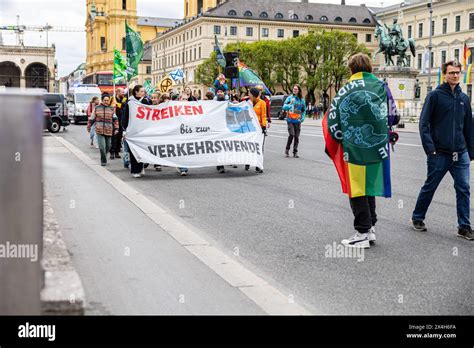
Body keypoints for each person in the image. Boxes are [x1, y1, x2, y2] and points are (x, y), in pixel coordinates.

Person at [324, 53, 396, 249]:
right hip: (378, 147)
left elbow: (333, 120)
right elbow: (393, 116)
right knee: (369, 187)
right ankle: (370, 228)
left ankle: (362, 232)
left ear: (351, 69)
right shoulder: (382, 87)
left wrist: (341, 139)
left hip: (355, 147)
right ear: (370, 68)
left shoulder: (345, 90)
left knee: (357, 188)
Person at [411, 60, 474, 240]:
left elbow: (469, 126)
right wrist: (430, 150)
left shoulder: (464, 98)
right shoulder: (435, 96)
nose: (455, 75)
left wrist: (470, 152)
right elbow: (424, 124)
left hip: (460, 153)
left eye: (457, 72)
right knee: (430, 186)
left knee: (463, 189)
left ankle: (464, 227)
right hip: (440, 153)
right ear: (445, 74)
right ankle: (417, 217)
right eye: (451, 72)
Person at [122, 85, 152, 178]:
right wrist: (124, 129)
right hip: (133, 130)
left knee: (143, 150)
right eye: (142, 91)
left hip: (144, 130)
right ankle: (135, 170)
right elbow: (125, 117)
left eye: (144, 91)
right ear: (136, 92)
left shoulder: (146, 101)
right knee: (133, 150)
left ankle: (141, 166)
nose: (144, 93)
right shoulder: (130, 103)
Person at [87, 94, 119, 166]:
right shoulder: (97, 108)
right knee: (102, 147)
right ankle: (103, 160)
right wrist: (89, 126)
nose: (106, 102)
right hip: (99, 129)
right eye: (105, 100)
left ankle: (104, 155)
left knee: (108, 146)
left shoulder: (111, 108)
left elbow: (115, 119)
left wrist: (116, 128)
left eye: (107, 100)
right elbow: (92, 118)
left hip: (109, 129)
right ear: (102, 100)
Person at [246, 87, 267, 174]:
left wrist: (264, 126)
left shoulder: (262, 103)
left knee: (259, 147)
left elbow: (263, 115)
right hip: (250, 127)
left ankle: (258, 165)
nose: (248, 95)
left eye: (249, 94)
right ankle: (247, 162)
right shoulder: (248, 103)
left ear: (253, 95)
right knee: (248, 145)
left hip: (259, 128)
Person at [283, 85, 306, 158]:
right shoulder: (289, 98)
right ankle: (287, 149)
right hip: (290, 120)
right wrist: (289, 105)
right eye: (294, 89)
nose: (294, 90)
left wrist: (302, 118)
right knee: (292, 134)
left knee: (297, 137)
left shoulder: (301, 100)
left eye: (296, 89)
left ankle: (295, 152)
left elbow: (304, 110)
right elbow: (284, 107)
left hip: (297, 121)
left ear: (299, 90)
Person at [110, 88, 126, 160]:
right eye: (122, 92)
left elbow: (124, 106)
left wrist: (118, 104)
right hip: (113, 120)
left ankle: (117, 151)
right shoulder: (112, 99)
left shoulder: (124, 99)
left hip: (121, 120)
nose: (123, 93)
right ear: (118, 92)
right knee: (114, 137)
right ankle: (112, 152)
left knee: (119, 137)